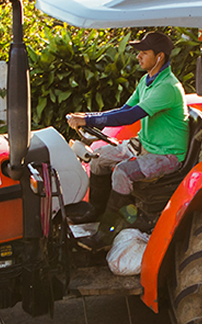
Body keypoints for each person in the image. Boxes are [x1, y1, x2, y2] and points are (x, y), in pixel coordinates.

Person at [66, 30, 189, 237]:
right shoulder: (147, 81)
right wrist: (87, 116)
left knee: (123, 172)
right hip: (145, 145)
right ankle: (96, 212)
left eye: (144, 53)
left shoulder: (168, 87)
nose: (138, 56)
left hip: (167, 155)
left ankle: (106, 232)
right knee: (98, 159)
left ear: (159, 57)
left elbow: (130, 116)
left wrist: (87, 120)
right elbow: (123, 109)